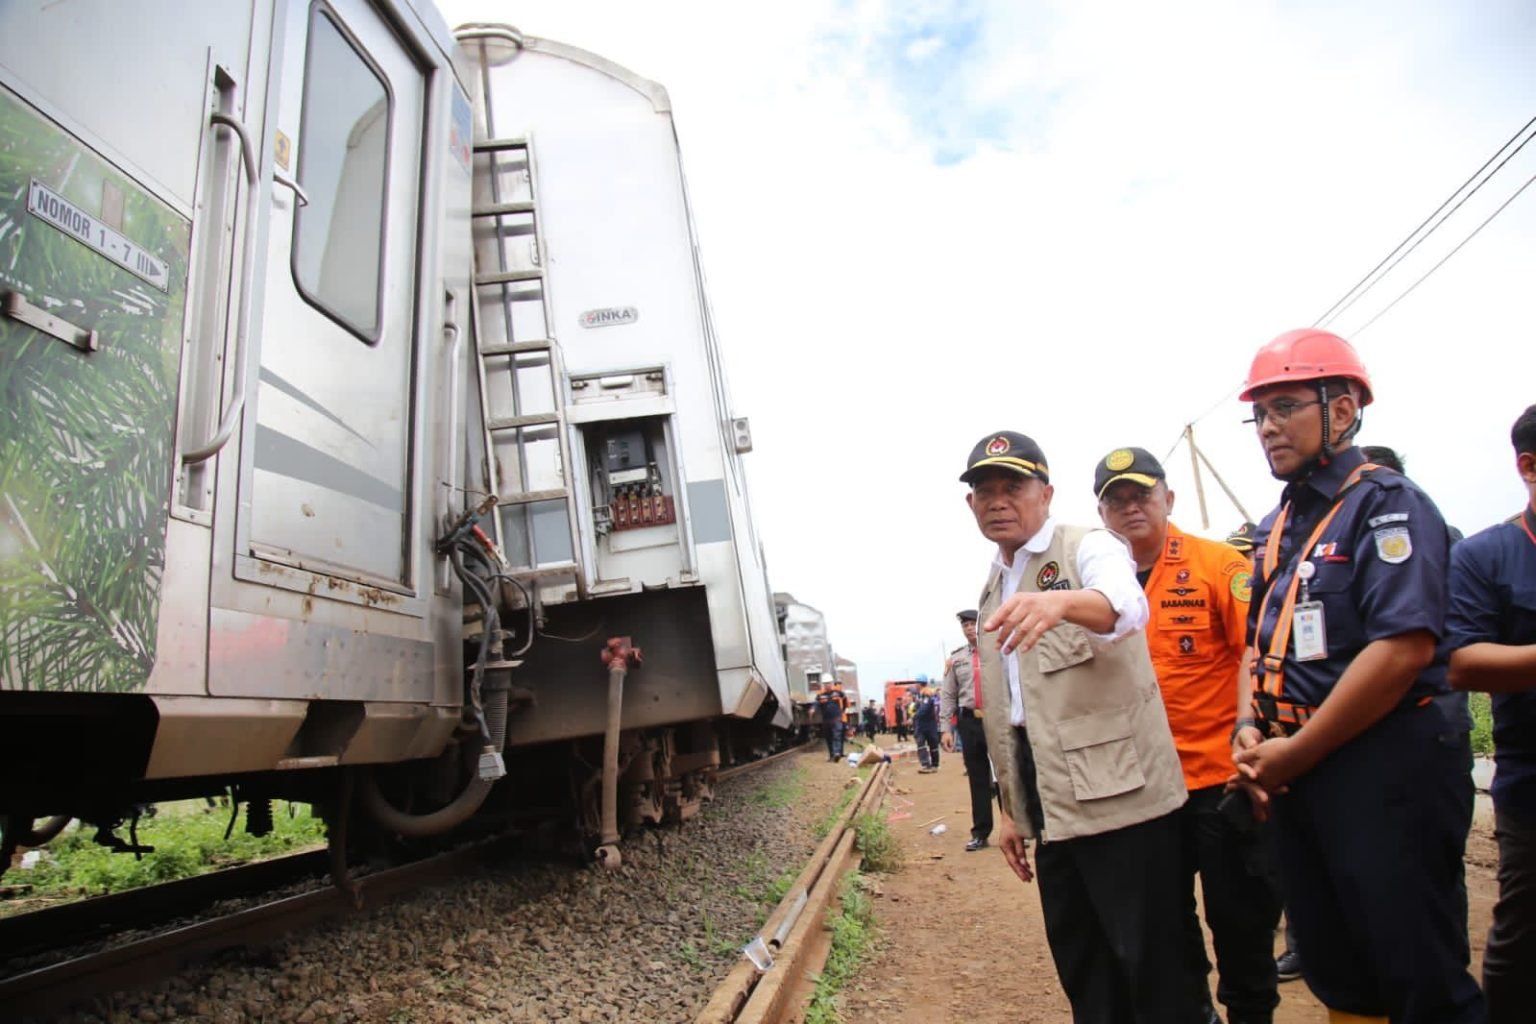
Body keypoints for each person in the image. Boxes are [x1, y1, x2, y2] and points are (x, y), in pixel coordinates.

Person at [1228, 328, 1484, 1024]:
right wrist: (1251, 729)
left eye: (1285, 408)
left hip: (1385, 767)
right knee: (1337, 969)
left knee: (1419, 976)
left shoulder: (1388, 506)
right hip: (1298, 771)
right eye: (1260, 414)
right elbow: (1260, 643)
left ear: (1341, 412)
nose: (1268, 428)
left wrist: (1293, 754)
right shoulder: (1279, 523)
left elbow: (1401, 650)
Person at [960, 429, 1192, 1023]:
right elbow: (1013, 710)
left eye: (1013, 486)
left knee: (1154, 964)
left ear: (1046, 492)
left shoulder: (1089, 545)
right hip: (1050, 798)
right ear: (970, 505)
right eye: (984, 491)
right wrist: (1010, 809)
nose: (997, 500)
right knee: (1083, 961)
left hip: (1124, 798)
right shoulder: (992, 589)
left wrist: (1062, 603)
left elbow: (1124, 605)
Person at [1095, 447, 1280, 1024]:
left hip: (1219, 784)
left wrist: (1249, 725)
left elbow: (1254, 647)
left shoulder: (1218, 564)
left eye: (1141, 495)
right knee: (1166, 932)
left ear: (1167, 500)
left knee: (1241, 924)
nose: (1130, 509)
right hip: (1144, 791)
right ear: (1101, 513)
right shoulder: (1097, 587)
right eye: (1115, 499)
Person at [1446, 403, 1536, 1024]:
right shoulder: (1488, 555)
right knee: (1525, 933)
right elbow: (1461, 662)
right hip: (1533, 784)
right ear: (1528, 466)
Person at [941, 609, 994, 851]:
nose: (969, 629)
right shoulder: (956, 659)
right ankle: (980, 833)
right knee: (977, 777)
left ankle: (1019, 830)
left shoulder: (998, 650)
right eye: (965, 626)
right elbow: (949, 695)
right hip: (969, 721)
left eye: (973, 624)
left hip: (997, 719)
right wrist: (946, 729)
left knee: (1007, 776)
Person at [912, 683, 941, 772]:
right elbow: (916, 708)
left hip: (928, 724)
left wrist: (914, 716)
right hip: (921, 725)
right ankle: (926, 765)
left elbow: (923, 709)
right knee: (921, 744)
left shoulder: (927, 696)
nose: (915, 686)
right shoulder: (919, 696)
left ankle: (934, 765)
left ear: (920, 684)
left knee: (933, 745)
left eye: (917, 683)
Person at [817, 686, 846, 762]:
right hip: (826, 721)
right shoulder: (820, 694)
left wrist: (842, 710)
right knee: (829, 738)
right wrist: (813, 709)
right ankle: (832, 755)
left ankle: (837, 753)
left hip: (836, 719)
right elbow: (816, 703)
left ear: (831, 684)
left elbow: (845, 699)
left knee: (837, 736)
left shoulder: (838, 692)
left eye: (829, 683)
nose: (828, 685)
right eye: (826, 684)